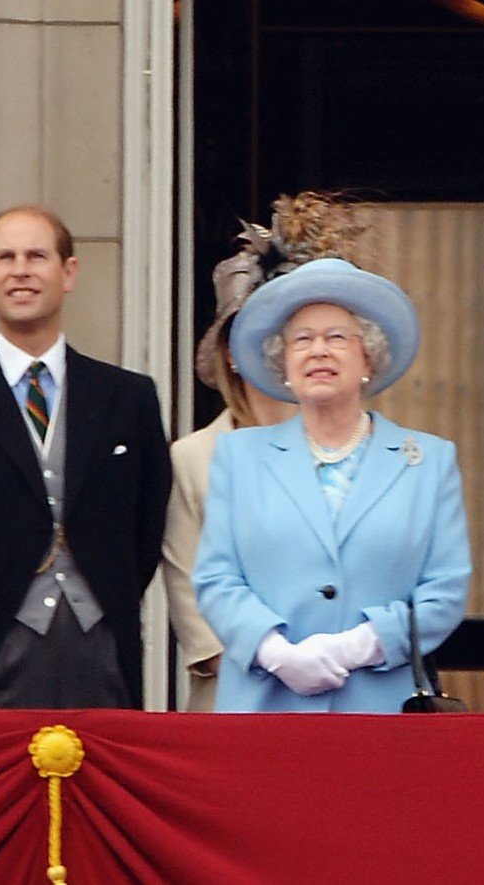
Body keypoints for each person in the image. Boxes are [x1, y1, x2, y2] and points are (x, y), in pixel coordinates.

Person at [0, 205, 170, 708]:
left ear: (68, 273)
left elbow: (146, 529)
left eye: (37, 256)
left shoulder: (128, 397)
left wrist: (104, 600)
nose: (21, 270)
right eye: (5, 257)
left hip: (104, 651)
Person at [193, 257, 472, 712]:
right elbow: (216, 579)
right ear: (283, 362)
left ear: (369, 357)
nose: (318, 351)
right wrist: (277, 653)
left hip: (380, 710)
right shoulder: (239, 457)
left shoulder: (428, 461)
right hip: (265, 706)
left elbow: (446, 590)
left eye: (337, 337)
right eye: (302, 340)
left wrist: (357, 646)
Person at [164, 192, 362, 711]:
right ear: (230, 348)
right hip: (237, 705)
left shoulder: (363, 448)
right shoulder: (193, 459)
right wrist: (281, 657)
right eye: (257, 331)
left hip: (350, 701)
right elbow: (196, 611)